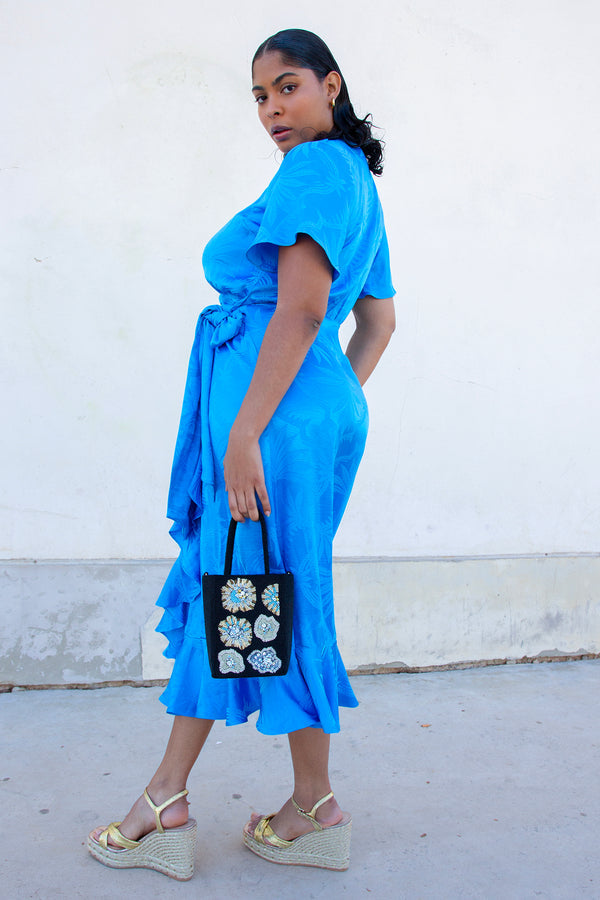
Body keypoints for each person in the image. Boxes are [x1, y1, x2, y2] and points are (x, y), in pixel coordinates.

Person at [87, 27, 395, 879]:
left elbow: (302, 310)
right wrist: (323, 408)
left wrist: (254, 430)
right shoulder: (349, 176)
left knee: (244, 590)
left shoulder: (316, 169)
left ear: (332, 85)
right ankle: (308, 806)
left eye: (288, 86)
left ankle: (165, 804)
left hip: (271, 426)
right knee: (266, 591)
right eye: (260, 96)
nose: (271, 109)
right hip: (299, 418)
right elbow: (377, 323)